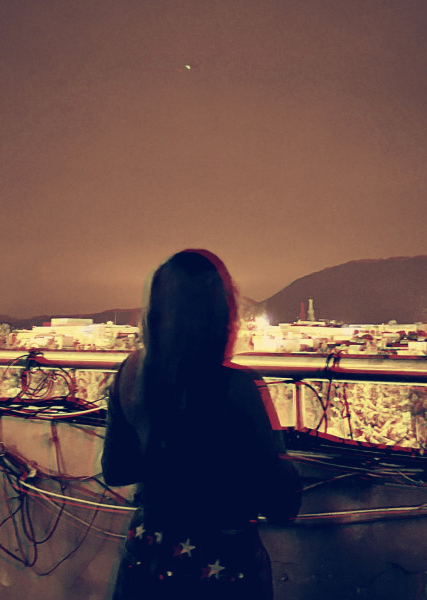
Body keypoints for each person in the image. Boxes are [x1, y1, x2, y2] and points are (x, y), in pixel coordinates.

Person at [102, 249, 301, 600]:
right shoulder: (239, 387)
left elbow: (116, 470)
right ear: (221, 312)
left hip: (149, 557)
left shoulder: (130, 374)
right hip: (219, 564)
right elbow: (280, 504)